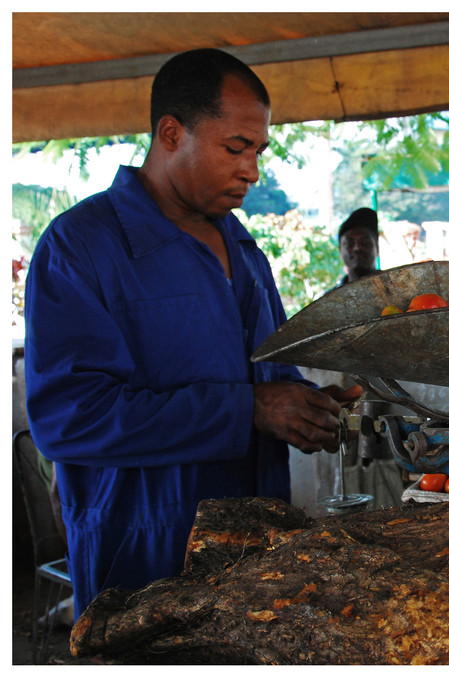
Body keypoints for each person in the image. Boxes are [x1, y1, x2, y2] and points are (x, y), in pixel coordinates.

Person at [23, 48, 359, 618]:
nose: (252, 170)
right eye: (235, 148)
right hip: (141, 550)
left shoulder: (244, 248)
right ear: (171, 134)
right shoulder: (80, 246)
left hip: (256, 545)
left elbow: (266, 373)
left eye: (258, 151)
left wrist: (304, 406)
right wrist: (247, 410)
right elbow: (69, 416)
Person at [334, 207, 380, 288]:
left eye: (364, 242)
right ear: (340, 250)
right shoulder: (329, 299)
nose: (357, 248)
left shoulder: (401, 293)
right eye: (349, 243)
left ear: (377, 248)